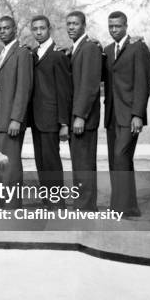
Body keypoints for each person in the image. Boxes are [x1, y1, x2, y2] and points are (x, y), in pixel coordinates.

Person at [103, 11, 150, 217]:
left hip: (130, 114)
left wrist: (138, 114)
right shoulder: (107, 50)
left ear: (126, 25)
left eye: (118, 26)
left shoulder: (138, 47)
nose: (114, 30)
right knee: (118, 161)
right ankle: (130, 206)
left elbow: (143, 82)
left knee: (121, 157)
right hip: (112, 114)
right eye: (111, 26)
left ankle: (119, 208)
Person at [29, 15, 72, 209]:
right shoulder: (32, 53)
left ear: (50, 29)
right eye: (35, 29)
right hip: (36, 118)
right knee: (41, 162)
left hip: (52, 118)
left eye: (42, 28)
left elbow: (64, 91)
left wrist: (64, 123)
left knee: (52, 162)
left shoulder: (58, 55)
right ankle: (47, 201)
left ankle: (58, 203)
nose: (38, 32)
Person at [0, 16, 33, 208]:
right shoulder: (2, 52)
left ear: (15, 29)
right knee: (1, 164)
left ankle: (13, 206)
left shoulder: (21, 53)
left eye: (6, 28)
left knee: (11, 164)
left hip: (11, 119)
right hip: (0, 119)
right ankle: (4, 204)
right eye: (0, 28)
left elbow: (23, 88)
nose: (3, 31)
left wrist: (16, 119)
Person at [67, 11, 102, 211]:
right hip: (77, 117)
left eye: (75, 24)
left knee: (84, 164)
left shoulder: (89, 48)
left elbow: (90, 85)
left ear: (84, 26)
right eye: (69, 24)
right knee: (80, 164)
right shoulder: (77, 48)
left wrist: (80, 116)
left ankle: (86, 206)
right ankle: (83, 204)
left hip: (84, 118)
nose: (71, 27)